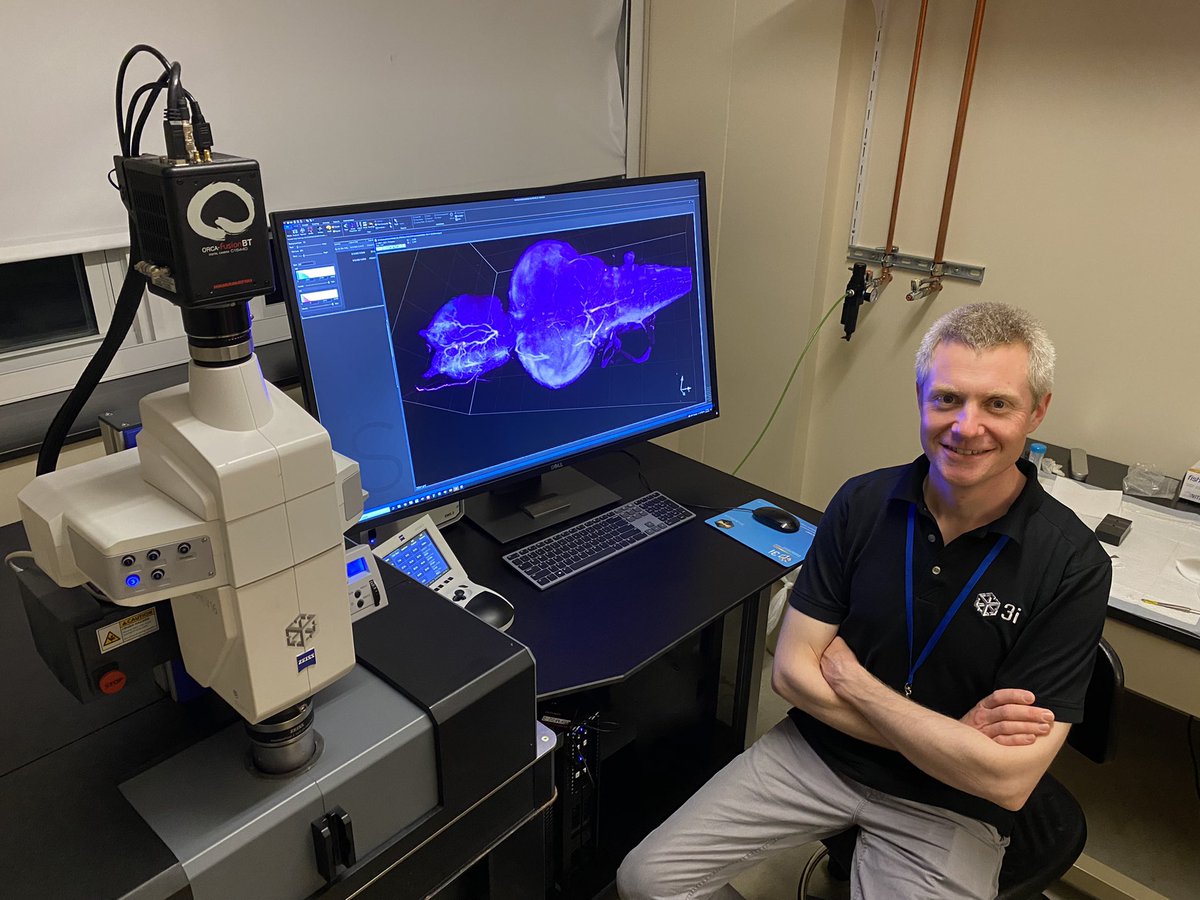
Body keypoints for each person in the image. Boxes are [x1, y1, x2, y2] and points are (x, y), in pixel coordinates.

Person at [617, 302, 1111, 899]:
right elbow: (792, 676)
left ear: (1037, 411)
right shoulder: (861, 503)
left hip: (953, 803)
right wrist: (953, 740)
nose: (966, 426)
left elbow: (1007, 781)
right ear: (921, 398)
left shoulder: (1073, 564)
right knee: (648, 880)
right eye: (948, 398)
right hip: (820, 753)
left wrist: (855, 682)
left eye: (997, 404)